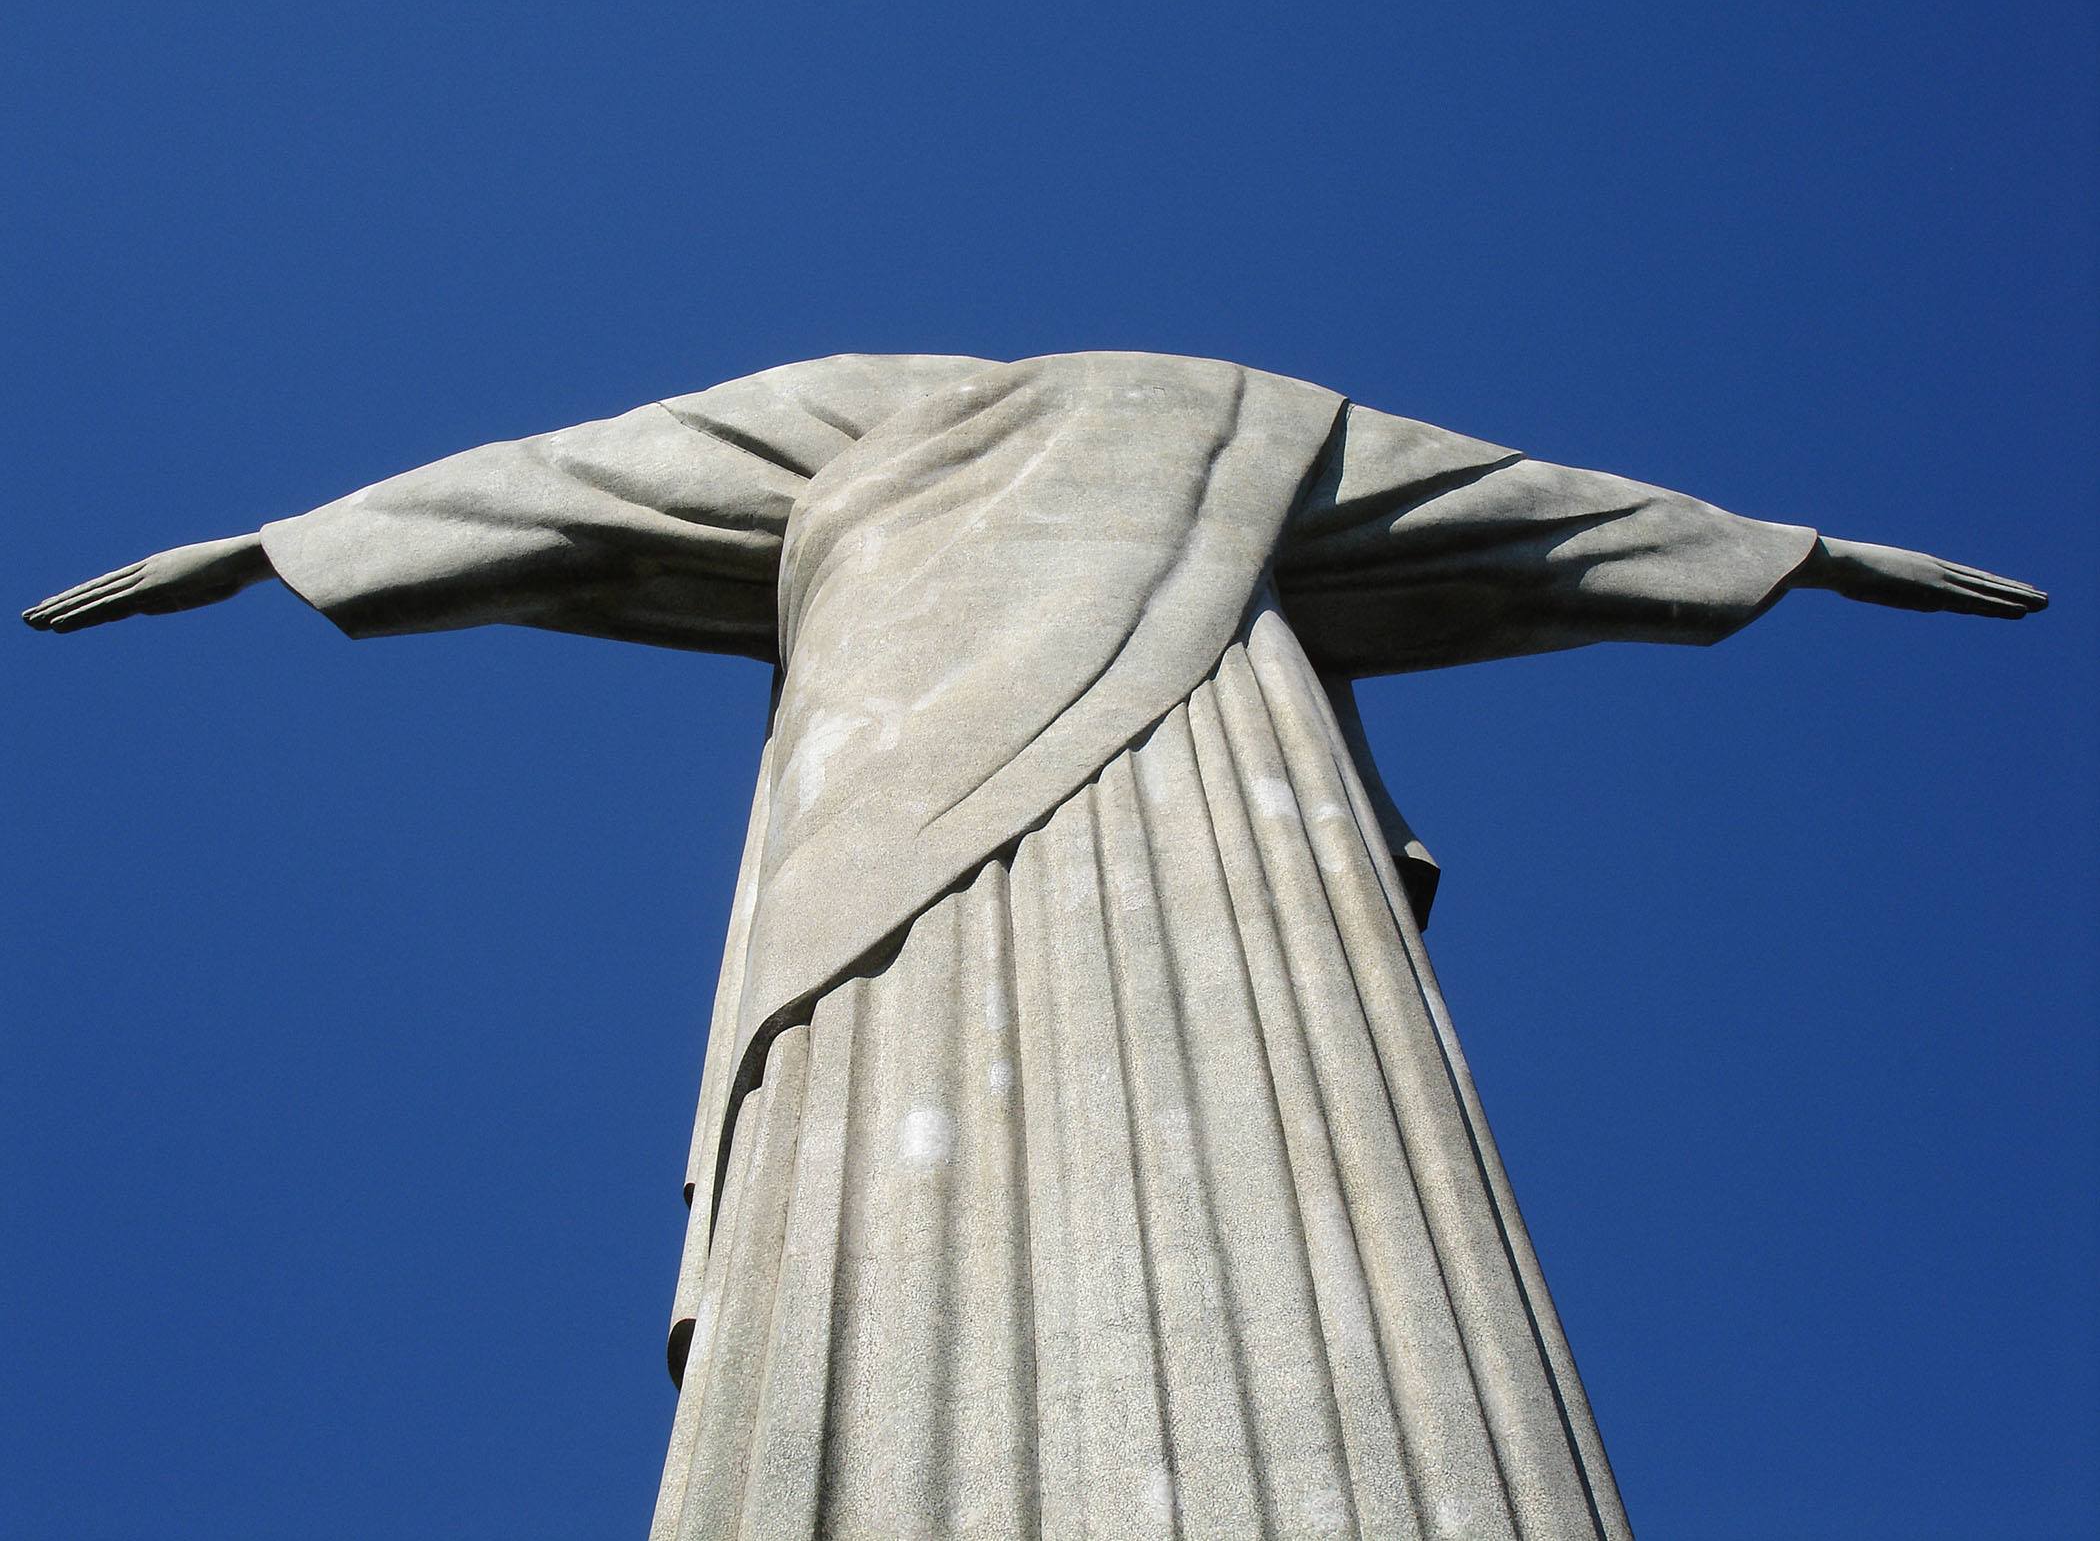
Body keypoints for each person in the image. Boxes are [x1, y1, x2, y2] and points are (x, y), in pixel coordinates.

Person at [25, 352, 2045, 1540]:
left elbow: (1520, 510)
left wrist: (1801, 552)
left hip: (1244, 837)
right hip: (878, 839)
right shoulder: (852, 418)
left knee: (1304, 1166)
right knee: (893, 1192)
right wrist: (291, 543)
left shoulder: (1229, 423)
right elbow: (572, 488)